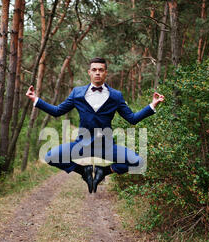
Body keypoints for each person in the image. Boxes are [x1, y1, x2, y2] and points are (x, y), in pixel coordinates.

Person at [25, 57, 165, 193]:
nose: (97, 72)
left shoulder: (116, 96)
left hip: (107, 147)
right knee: (50, 156)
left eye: (101, 70)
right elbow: (57, 111)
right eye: (94, 69)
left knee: (138, 161)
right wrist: (35, 99)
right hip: (81, 146)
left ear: (106, 73)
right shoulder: (77, 93)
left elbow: (132, 118)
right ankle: (83, 171)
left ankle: (103, 171)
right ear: (89, 72)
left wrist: (152, 105)